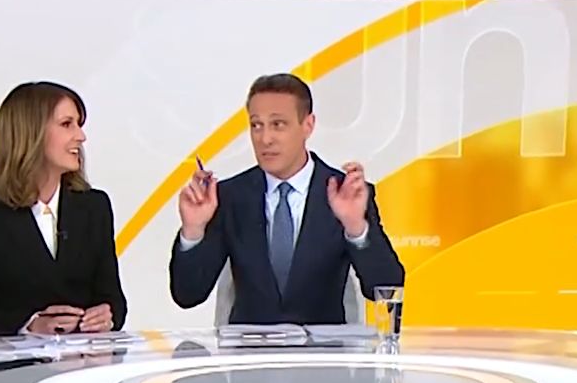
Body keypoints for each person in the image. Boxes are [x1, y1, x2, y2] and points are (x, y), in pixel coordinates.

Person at [170, 73, 403, 325]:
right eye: (256, 125)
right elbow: (188, 295)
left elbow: (387, 289)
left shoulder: (345, 193)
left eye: (278, 124)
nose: (265, 139)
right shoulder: (229, 196)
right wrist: (193, 231)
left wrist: (356, 228)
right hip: (248, 348)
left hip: (323, 349)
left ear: (308, 125)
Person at [0, 81, 126, 336]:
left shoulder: (94, 207)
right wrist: (31, 324)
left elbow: (114, 301)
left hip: (85, 356)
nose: (81, 136)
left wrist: (106, 316)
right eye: (67, 124)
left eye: (79, 125)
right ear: (31, 133)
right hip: (16, 360)